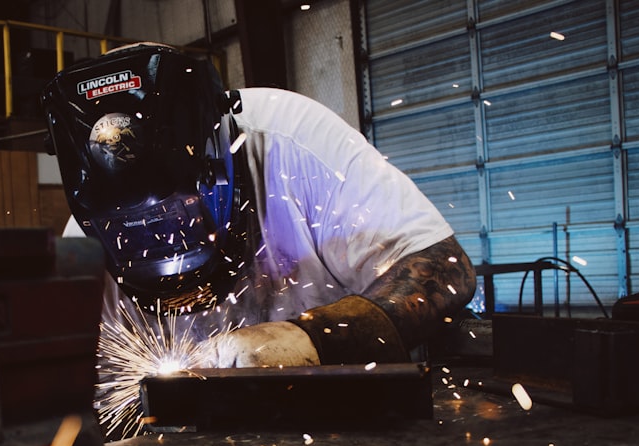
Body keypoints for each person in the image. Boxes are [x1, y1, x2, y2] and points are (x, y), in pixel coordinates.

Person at [41, 43, 476, 369]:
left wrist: (308, 339)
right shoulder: (88, 240)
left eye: (182, 212)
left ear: (219, 154)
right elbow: (66, 386)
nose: (161, 233)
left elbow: (445, 267)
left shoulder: (290, 140)